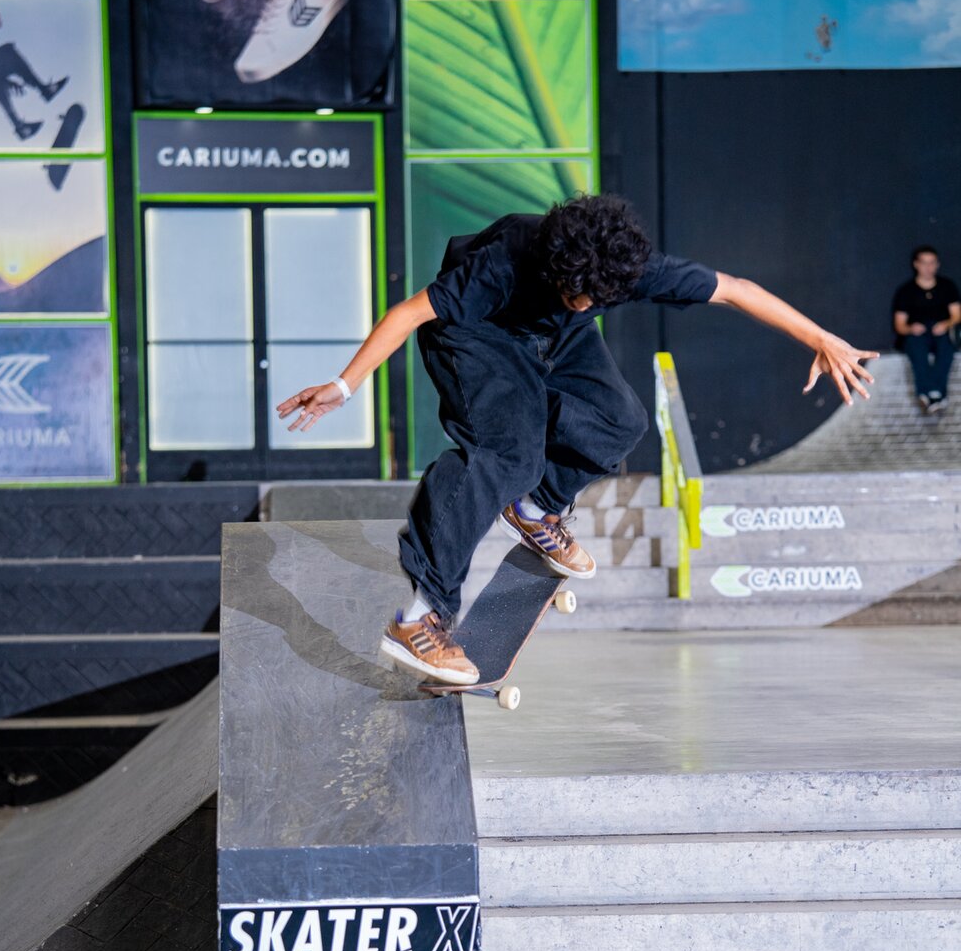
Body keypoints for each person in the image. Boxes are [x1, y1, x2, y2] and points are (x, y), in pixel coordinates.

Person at [277, 194, 877, 685]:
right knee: (506, 454)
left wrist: (821, 338)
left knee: (622, 420)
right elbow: (408, 314)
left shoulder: (626, 268)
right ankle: (420, 618)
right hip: (478, 334)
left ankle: (536, 508)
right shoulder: (505, 262)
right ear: (559, 271)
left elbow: (735, 289)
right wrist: (344, 386)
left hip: (556, 339)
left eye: (598, 300)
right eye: (579, 295)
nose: (588, 303)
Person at [0, 6, 67, 140]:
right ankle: (44, 91)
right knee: (8, 53)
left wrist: (5, 79)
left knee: (2, 67)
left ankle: (22, 128)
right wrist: (5, 79)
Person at [892, 246, 960, 415]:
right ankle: (930, 393)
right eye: (924, 263)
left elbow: (957, 315)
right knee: (917, 348)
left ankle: (933, 393)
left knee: (947, 346)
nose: (928, 267)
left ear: (937, 264)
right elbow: (899, 325)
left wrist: (945, 324)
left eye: (932, 263)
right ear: (916, 264)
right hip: (917, 335)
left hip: (941, 332)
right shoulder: (906, 291)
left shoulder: (947, 287)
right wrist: (911, 328)